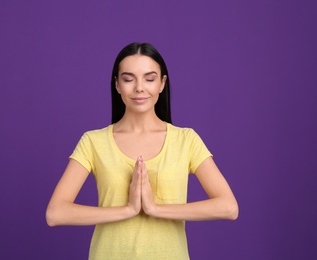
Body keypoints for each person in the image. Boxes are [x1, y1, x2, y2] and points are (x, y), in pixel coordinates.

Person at [46, 42, 239, 259]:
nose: (139, 87)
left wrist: (155, 209)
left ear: (162, 83)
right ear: (117, 85)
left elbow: (229, 207)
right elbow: (55, 213)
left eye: (149, 79)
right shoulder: (93, 141)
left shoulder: (186, 140)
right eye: (129, 79)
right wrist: (127, 210)